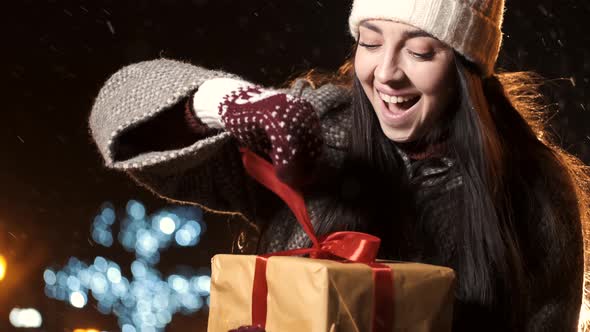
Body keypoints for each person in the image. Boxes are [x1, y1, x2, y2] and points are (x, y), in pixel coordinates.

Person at [89, 0, 589, 330]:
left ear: (467, 66)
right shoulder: (318, 131)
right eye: (370, 42)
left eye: (420, 50)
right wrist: (225, 102)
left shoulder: (535, 188)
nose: (387, 72)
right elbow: (116, 110)